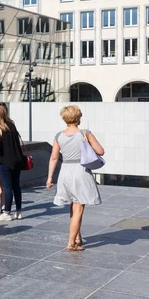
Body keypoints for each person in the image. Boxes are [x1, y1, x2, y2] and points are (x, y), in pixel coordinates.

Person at [47, 105, 103, 251]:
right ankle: (71, 243)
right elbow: (100, 151)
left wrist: (49, 177)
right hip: (80, 171)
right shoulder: (85, 133)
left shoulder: (58, 136)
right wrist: (87, 142)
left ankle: (78, 237)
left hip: (65, 171)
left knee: (73, 206)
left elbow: (54, 158)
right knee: (78, 208)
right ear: (78, 117)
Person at [0, 105, 24, 221]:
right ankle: (19, 212)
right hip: (18, 159)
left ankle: (7, 213)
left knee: (7, 187)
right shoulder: (12, 125)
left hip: (6, 161)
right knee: (16, 186)